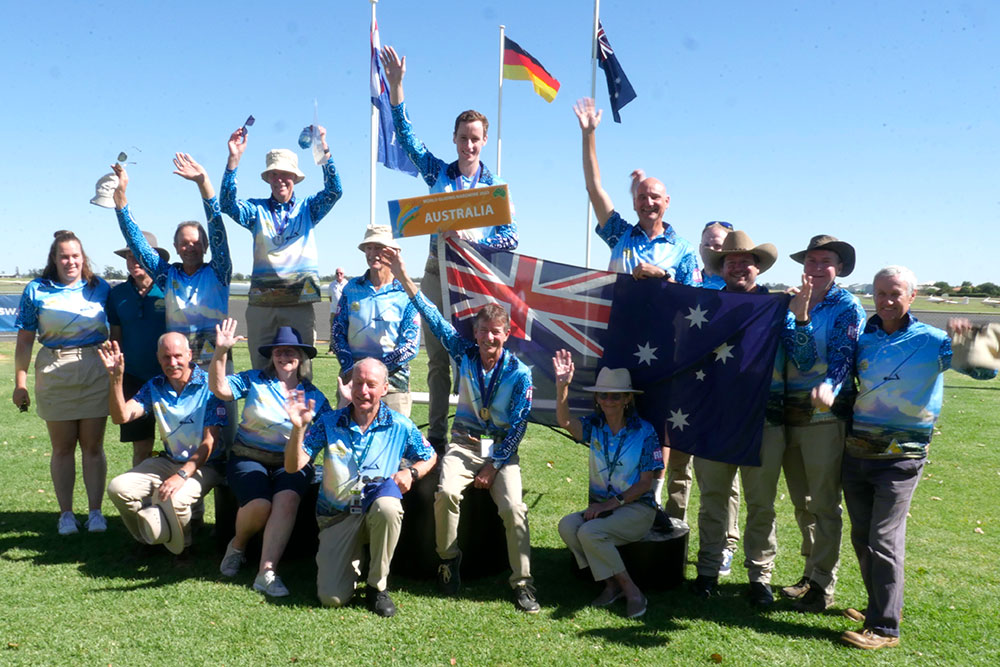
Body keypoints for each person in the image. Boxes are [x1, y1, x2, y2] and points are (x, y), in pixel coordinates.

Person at [824, 267, 995, 649]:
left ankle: (885, 628)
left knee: (884, 538)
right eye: (880, 293)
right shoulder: (862, 340)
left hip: (902, 458)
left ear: (911, 296)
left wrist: (971, 342)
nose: (886, 301)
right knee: (863, 536)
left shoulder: (933, 341)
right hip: (857, 453)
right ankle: (879, 607)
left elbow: (987, 373)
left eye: (895, 294)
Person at [380, 44, 519, 449]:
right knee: (438, 362)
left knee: (477, 359)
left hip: (474, 280)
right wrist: (396, 86)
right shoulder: (438, 173)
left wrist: (478, 238)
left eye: (475, 139)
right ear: (454, 139)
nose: (469, 146)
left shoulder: (494, 191)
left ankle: (476, 432)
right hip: (436, 273)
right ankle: (439, 435)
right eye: (463, 138)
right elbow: (407, 140)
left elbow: (511, 236)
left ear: (485, 140)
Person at [387, 248, 539, 613]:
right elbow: (433, 316)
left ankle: (522, 583)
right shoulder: (465, 354)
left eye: (496, 333)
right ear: (475, 332)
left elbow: (518, 426)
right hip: (464, 446)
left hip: (500, 451)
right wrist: (405, 276)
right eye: (483, 331)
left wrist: (494, 465)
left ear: (508, 334)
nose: (489, 339)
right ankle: (448, 561)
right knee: (446, 493)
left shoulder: (520, 373)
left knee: (514, 509)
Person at [687, 231, 816, 605]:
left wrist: (802, 316)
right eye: (731, 260)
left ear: (757, 266)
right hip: (714, 419)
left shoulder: (778, 307)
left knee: (762, 504)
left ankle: (759, 576)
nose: (739, 266)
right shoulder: (707, 307)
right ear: (722, 267)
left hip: (765, 421)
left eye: (746, 260)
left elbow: (802, 357)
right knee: (712, 499)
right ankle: (708, 571)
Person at [284, 358, 437, 616]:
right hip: (338, 517)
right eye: (358, 383)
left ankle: (377, 587)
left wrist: (411, 472)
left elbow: (430, 455)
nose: (363, 391)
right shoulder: (329, 422)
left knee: (388, 507)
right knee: (331, 598)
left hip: (376, 510)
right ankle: (354, 559)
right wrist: (298, 429)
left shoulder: (400, 425)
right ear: (349, 385)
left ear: (385, 388)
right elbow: (293, 466)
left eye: (371, 384)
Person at [112, 155, 236, 453]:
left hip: (216, 365)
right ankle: (185, 498)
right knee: (187, 441)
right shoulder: (168, 277)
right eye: (183, 242)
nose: (190, 247)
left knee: (223, 442)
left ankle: (230, 501)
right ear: (175, 247)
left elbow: (218, 228)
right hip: (181, 369)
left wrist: (203, 185)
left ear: (205, 246)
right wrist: (121, 201)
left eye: (195, 242)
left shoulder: (219, 272)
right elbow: (138, 244)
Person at [209, 318, 330, 597]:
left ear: (301, 358)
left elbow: (320, 437)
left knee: (287, 499)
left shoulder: (314, 397)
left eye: (291, 351)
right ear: (271, 356)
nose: (284, 356)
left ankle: (266, 571)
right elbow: (220, 389)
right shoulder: (254, 380)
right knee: (261, 504)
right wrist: (220, 353)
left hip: (292, 462)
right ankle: (237, 546)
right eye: (279, 351)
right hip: (248, 457)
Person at [780, 234, 867, 612]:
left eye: (825, 261)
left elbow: (843, 356)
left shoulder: (847, 306)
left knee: (825, 504)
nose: (816, 268)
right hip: (789, 418)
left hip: (825, 418)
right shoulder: (791, 301)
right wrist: (795, 311)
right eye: (810, 261)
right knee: (802, 502)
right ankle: (810, 572)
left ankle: (822, 584)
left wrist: (829, 387)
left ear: (840, 268)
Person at [220, 124, 343, 370]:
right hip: (262, 306)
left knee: (302, 373)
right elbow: (227, 203)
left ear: (295, 178)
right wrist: (233, 159)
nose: (280, 180)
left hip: (300, 303)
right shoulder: (256, 210)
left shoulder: (309, 208)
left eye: (285, 174)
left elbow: (334, 191)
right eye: (274, 174)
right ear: (267, 179)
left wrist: (323, 149)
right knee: (260, 370)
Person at [13, 231, 110, 535]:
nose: (70, 261)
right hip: (54, 370)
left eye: (75, 256)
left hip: (94, 368)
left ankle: (95, 513)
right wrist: (20, 382)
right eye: (64, 256)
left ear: (84, 258)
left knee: (93, 446)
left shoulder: (100, 288)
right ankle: (66, 514)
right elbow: (25, 341)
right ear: (54, 259)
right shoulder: (35, 290)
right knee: (63, 447)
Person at [659, 220, 741, 575]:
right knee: (679, 467)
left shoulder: (737, 286)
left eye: (719, 242)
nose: (712, 246)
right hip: (686, 391)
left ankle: (726, 542)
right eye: (707, 241)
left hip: (723, 393)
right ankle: (674, 533)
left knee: (722, 475)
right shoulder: (688, 282)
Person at [553, 356, 662, 619]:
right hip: (603, 510)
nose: (608, 401)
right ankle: (610, 584)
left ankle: (632, 590)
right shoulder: (595, 426)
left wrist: (608, 505)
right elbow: (566, 422)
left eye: (615, 396)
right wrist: (562, 387)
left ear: (627, 399)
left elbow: (646, 483)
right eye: (603, 395)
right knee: (567, 526)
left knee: (590, 532)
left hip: (637, 509)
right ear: (597, 398)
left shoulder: (645, 432)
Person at [102, 334, 227, 554]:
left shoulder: (209, 387)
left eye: (178, 356)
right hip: (168, 461)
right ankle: (148, 538)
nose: (172, 363)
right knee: (118, 489)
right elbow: (121, 417)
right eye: (166, 357)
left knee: (175, 499)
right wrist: (116, 379)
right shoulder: (155, 386)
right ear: (158, 359)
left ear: (189, 355)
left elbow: (210, 442)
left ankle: (183, 549)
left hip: (207, 465)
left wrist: (181, 475)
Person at [573, 97, 699, 284]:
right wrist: (588, 135)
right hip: (621, 314)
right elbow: (594, 189)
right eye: (642, 197)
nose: (648, 203)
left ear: (667, 201)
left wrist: (661, 276)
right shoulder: (618, 234)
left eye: (655, 197)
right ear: (634, 202)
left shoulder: (683, 249)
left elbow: (693, 299)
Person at [332, 226, 420, 416]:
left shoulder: (406, 292)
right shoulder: (351, 288)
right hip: (352, 382)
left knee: (394, 443)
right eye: (368, 248)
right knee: (346, 442)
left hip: (394, 386)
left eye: (378, 248)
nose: (372, 254)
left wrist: (376, 373)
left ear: (392, 252)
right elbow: (338, 332)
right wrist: (351, 370)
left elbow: (411, 345)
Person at [106, 232, 169, 466]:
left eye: (140, 256)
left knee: (177, 445)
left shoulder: (169, 287)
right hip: (134, 378)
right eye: (129, 257)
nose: (134, 262)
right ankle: (141, 501)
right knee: (141, 449)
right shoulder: (118, 295)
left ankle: (176, 501)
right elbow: (116, 339)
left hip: (168, 378)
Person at [327, 267, 348, 353]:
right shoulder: (331, 285)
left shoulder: (348, 284)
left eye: (341, 273)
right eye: (337, 273)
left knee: (345, 330)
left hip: (345, 312)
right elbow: (330, 298)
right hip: (334, 312)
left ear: (344, 274)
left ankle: (345, 348)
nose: (339, 275)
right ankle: (332, 349)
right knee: (333, 330)